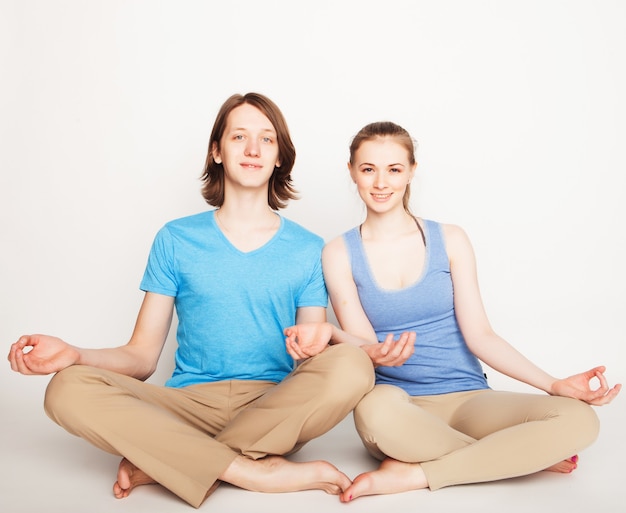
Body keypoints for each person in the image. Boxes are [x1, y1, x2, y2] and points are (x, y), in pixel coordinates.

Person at [7, 92, 374, 508]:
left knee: (351, 363)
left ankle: (173, 460)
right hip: (186, 405)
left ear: (279, 158)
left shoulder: (308, 248)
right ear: (217, 151)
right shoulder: (176, 239)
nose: (253, 149)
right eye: (239, 137)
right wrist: (73, 353)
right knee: (66, 388)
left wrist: (316, 344)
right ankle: (251, 470)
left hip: (274, 406)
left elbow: (310, 363)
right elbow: (142, 358)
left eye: (266, 139)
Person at [283, 120, 621, 503]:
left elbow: (481, 336)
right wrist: (335, 336)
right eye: (368, 169)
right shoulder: (338, 252)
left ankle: (414, 475)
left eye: (394, 169)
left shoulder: (451, 239)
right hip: (398, 404)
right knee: (374, 415)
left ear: (412, 171)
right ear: (352, 173)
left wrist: (553, 385)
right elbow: (364, 344)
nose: (381, 183)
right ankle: (513, 458)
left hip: (468, 399)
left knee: (579, 420)